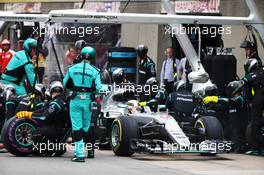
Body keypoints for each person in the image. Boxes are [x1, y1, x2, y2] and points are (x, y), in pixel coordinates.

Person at [63, 46, 102, 162]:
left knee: (77, 127)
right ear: (92, 57)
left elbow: (65, 84)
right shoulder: (95, 71)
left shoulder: (72, 69)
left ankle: (79, 154)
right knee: (85, 127)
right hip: (88, 101)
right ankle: (80, 151)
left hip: (75, 100)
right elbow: (98, 88)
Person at [16, 81, 68, 155]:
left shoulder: (56, 103)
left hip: (56, 130)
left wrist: (30, 115)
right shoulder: (55, 101)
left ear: (51, 90)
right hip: (56, 128)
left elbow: (44, 117)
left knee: (36, 133)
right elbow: (41, 111)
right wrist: (29, 113)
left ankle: (54, 148)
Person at [203, 81, 248, 152]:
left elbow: (232, 102)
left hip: (240, 129)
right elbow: (222, 107)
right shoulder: (230, 103)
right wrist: (212, 105)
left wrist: (216, 99)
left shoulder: (241, 99)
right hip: (231, 128)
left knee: (236, 146)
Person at [242, 58, 264, 153]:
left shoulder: (247, 77)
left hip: (260, 97)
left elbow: (247, 93)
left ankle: (256, 148)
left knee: (255, 123)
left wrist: (250, 101)